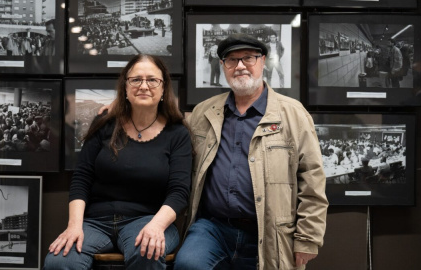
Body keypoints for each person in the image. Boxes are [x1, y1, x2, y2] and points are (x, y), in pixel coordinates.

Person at [174, 33, 328, 269]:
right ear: (222, 66)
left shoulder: (293, 114)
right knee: (188, 264)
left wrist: (307, 239)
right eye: (231, 60)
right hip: (212, 227)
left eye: (248, 58)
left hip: (269, 231)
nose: (240, 66)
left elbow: (312, 179)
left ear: (263, 61)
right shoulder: (204, 113)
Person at [43, 54, 192, 270]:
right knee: (59, 261)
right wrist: (74, 226)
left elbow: (179, 192)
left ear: (163, 88)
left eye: (152, 80)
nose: (144, 86)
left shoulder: (177, 133)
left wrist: (156, 226)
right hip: (96, 222)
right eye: (136, 80)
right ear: (125, 87)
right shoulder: (104, 124)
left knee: (147, 253)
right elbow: (81, 178)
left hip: (148, 219)